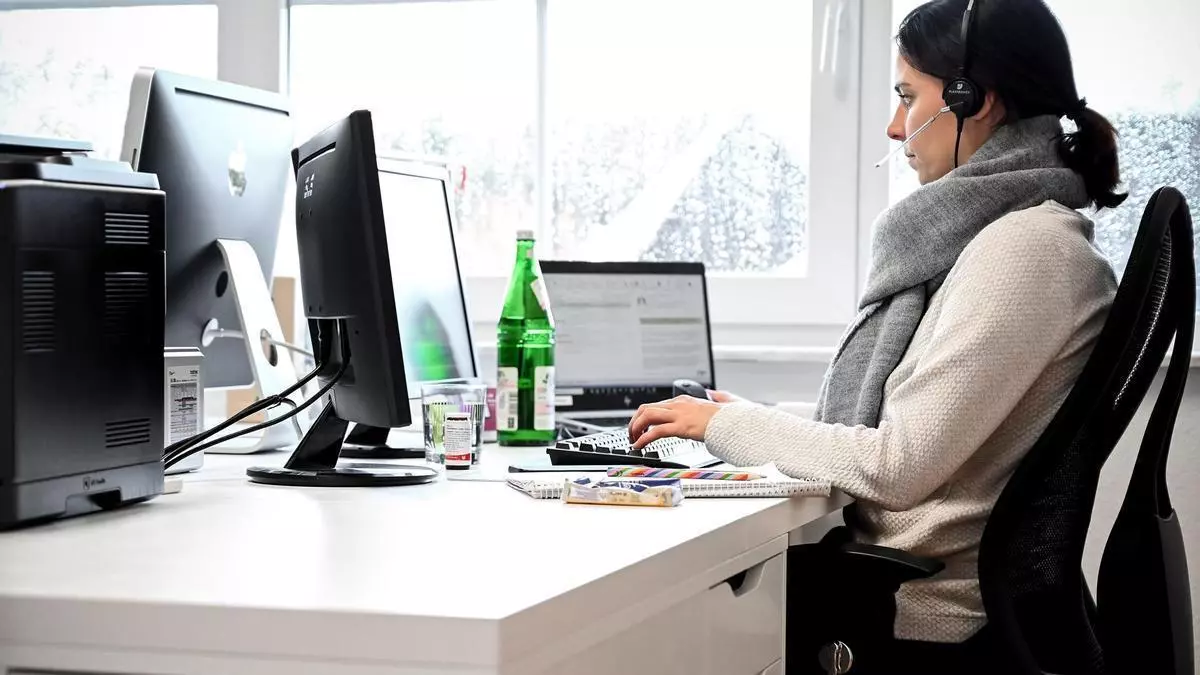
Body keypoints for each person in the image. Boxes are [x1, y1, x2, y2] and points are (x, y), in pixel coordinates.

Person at [628, 0, 1125, 666]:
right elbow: (913, 435)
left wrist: (723, 426)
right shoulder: (1010, 241)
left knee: (659, 621)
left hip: (927, 611)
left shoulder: (1028, 251)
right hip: (922, 586)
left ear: (972, 100)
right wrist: (743, 420)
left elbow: (896, 465)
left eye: (907, 96)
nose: (895, 127)